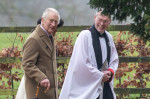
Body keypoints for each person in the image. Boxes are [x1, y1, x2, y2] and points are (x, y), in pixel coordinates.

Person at [59, 10, 119, 99]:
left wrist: (110, 71)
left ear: (109, 22)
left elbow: (114, 59)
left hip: (105, 85)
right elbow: (81, 63)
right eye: (100, 20)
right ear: (95, 18)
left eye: (105, 21)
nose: (102, 24)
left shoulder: (109, 37)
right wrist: (100, 76)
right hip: (87, 88)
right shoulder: (85, 36)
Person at [15, 8, 62, 99]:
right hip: (39, 92)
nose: (53, 24)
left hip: (49, 92)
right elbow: (27, 64)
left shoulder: (49, 36)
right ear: (43, 20)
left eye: (56, 22)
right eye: (51, 20)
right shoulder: (34, 39)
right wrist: (41, 77)